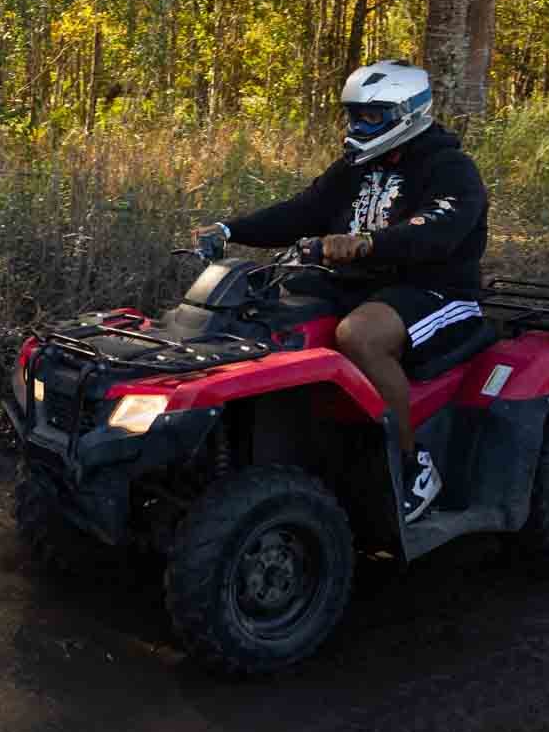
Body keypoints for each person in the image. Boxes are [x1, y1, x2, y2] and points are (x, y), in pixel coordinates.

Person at [194, 62, 488, 527]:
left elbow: (437, 230)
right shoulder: (355, 167)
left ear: (406, 112)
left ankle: (415, 467)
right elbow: (302, 211)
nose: (357, 127)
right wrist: (230, 229)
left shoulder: (450, 168)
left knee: (360, 335)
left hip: (436, 290)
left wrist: (369, 242)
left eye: (370, 117)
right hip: (360, 284)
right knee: (269, 316)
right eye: (353, 116)